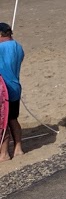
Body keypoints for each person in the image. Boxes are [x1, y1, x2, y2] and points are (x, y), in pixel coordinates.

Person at [0, 23, 24, 160]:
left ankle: (4, 154)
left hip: (3, 89)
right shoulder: (18, 47)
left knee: (3, 122)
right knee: (12, 119)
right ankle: (18, 148)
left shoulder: (1, 48)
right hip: (15, 87)